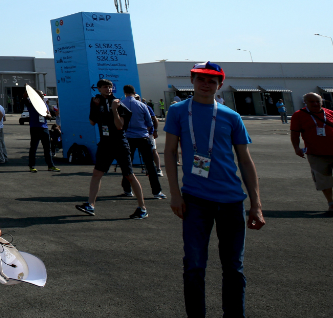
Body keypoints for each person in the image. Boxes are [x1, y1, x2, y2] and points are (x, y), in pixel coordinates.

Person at [164, 61, 263, 318]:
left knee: (233, 267)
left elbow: (245, 160)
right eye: (201, 79)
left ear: (219, 85)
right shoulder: (178, 112)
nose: (205, 84)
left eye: (212, 80)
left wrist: (256, 205)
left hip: (232, 201)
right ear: (193, 81)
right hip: (195, 201)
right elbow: (170, 152)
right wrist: (175, 194)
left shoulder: (231, 116)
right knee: (194, 266)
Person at [75, 79, 148, 219]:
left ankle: (142, 208)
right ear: (99, 88)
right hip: (105, 144)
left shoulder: (118, 103)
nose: (108, 89)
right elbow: (92, 122)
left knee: (129, 175)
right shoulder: (96, 101)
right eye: (105, 87)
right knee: (97, 174)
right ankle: (90, 205)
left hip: (120, 143)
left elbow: (120, 126)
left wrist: (115, 110)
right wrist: (96, 107)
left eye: (110, 87)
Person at [289, 92, 333, 216]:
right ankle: (331, 203)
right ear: (306, 103)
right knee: (323, 179)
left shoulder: (330, 113)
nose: (315, 104)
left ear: (322, 102)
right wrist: (296, 147)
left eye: (317, 101)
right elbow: (295, 133)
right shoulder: (299, 115)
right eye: (311, 101)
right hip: (316, 153)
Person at [119, 86, 165, 199]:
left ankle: (127, 190)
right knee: (150, 164)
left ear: (124, 93)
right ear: (134, 93)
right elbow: (149, 123)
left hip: (127, 137)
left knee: (127, 165)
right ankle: (156, 191)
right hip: (142, 137)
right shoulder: (142, 105)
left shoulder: (120, 104)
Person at [26, 89, 60, 173]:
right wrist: (27, 91)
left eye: (43, 95)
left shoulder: (44, 105)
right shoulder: (31, 104)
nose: (42, 96)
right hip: (34, 128)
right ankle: (32, 166)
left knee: (47, 148)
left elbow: (49, 116)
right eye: (40, 95)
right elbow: (24, 99)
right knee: (33, 148)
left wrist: (46, 115)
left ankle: (51, 166)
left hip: (44, 128)